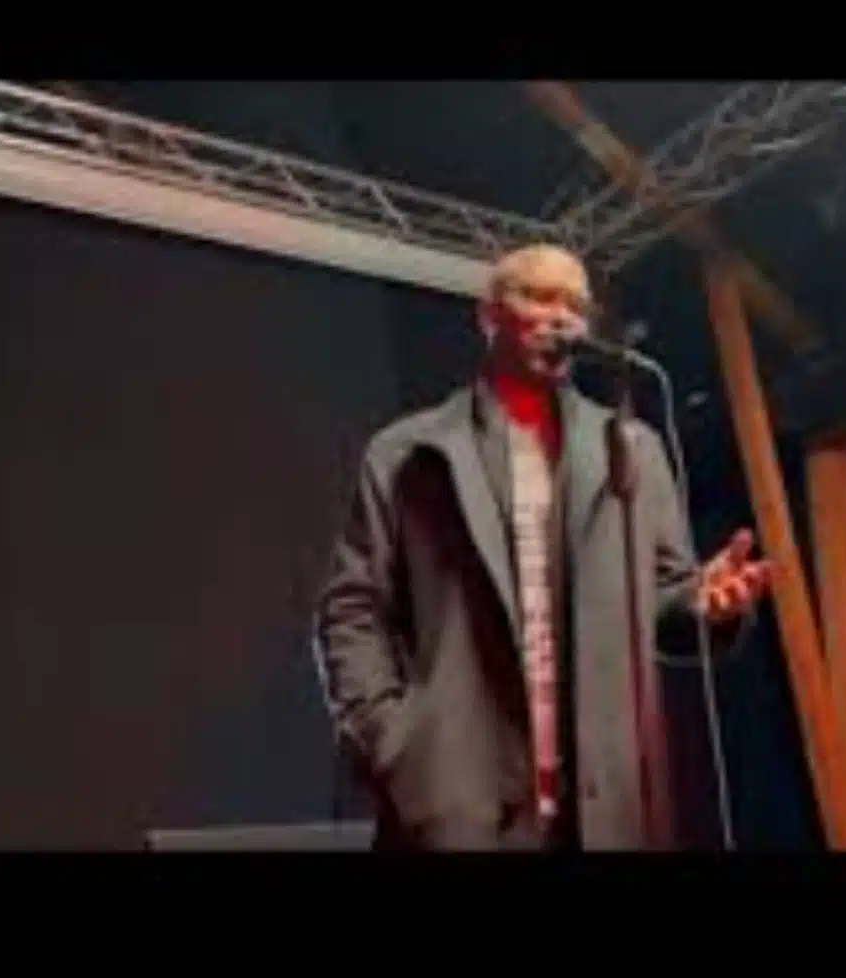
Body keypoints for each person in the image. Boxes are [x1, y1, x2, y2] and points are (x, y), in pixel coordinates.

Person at [314, 243, 770, 851]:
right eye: (538, 296)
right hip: (459, 802)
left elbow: (660, 600)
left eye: (575, 305)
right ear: (489, 316)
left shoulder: (631, 449)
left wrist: (703, 602)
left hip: (601, 810)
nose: (560, 317)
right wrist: (396, 743)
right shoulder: (408, 453)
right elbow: (353, 608)